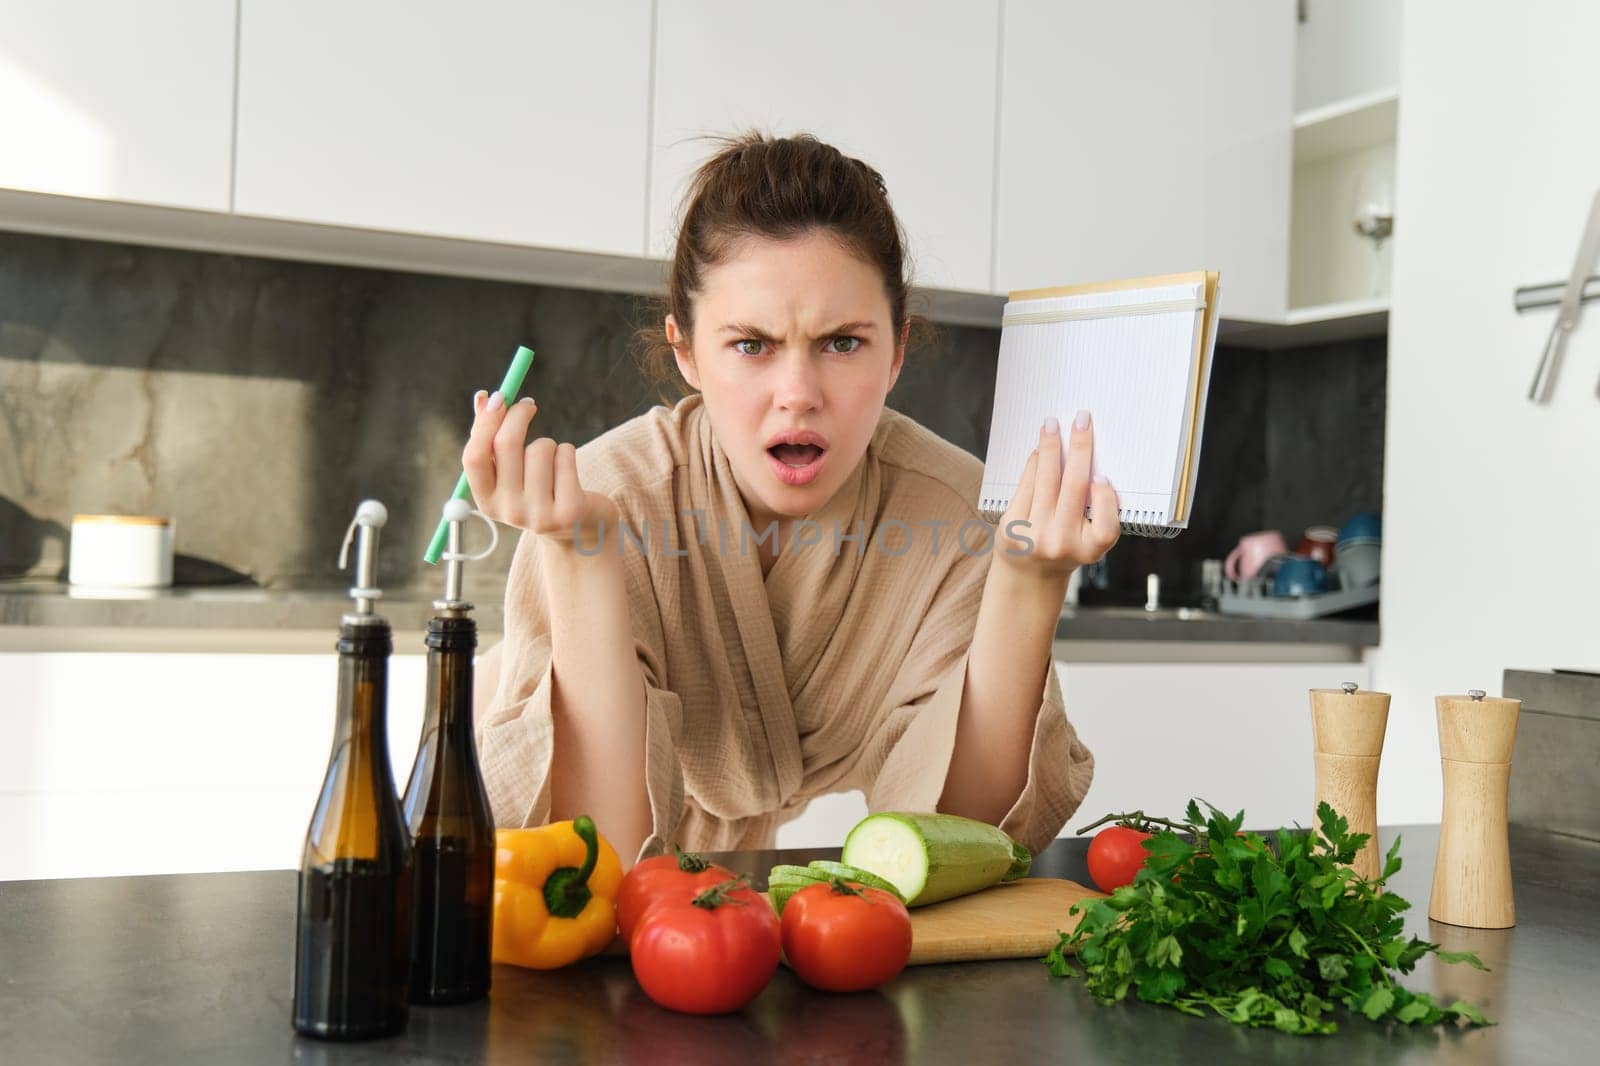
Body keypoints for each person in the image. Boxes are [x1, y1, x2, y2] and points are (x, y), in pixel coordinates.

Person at [467, 132, 1119, 866]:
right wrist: (579, 560)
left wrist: (1030, 585)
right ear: (686, 352)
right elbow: (589, 856)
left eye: (843, 343)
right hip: (475, 823)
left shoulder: (955, 515)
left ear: (897, 350)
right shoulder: (605, 499)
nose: (799, 396)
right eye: (751, 345)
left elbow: (960, 839)